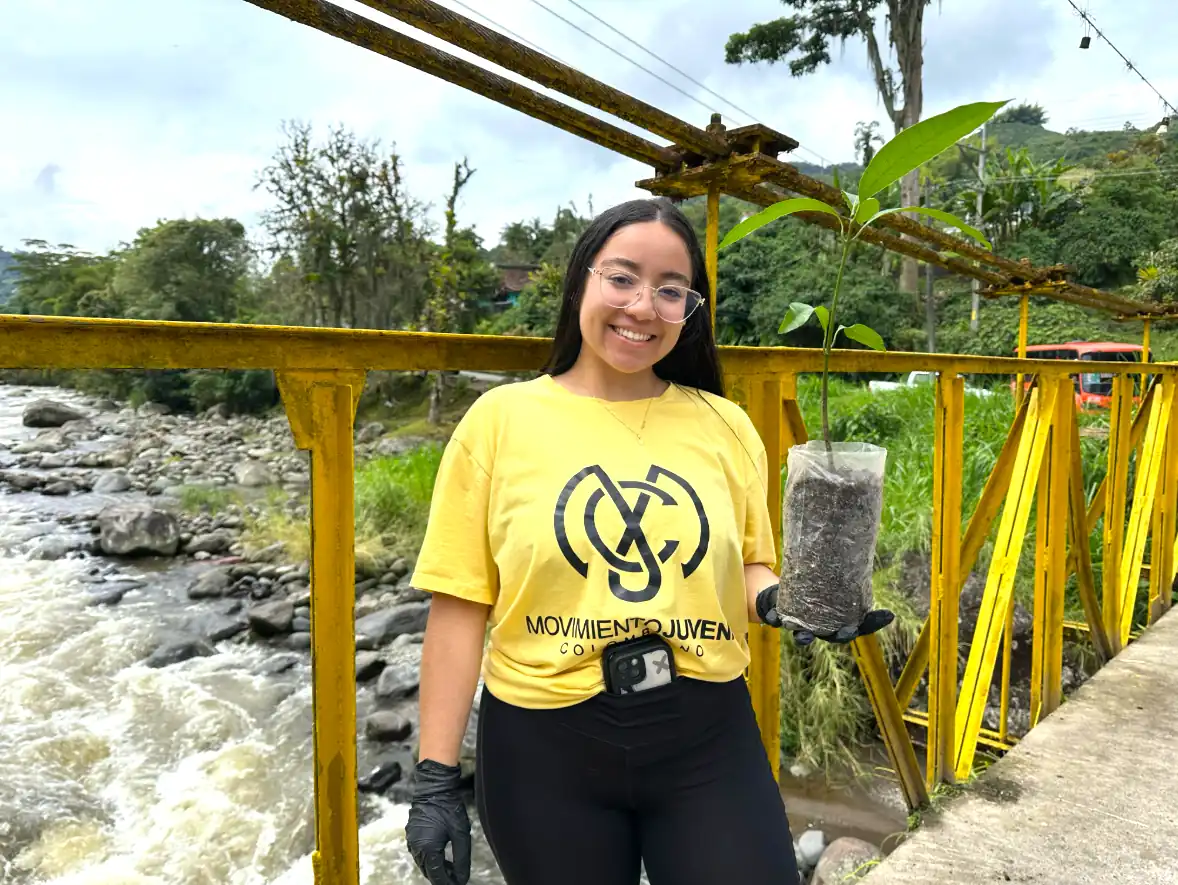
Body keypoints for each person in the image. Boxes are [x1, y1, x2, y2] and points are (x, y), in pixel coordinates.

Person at [403, 197, 893, 885]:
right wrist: (434, 774)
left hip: (706, 735)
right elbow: (459, 603)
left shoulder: (725, 424)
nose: (643, 306)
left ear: (690, 310)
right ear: (582, 280)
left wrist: (787, 602)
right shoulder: (499, 421)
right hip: (544, 748)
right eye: (623, 277)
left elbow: (747, 565)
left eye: (671, 290)